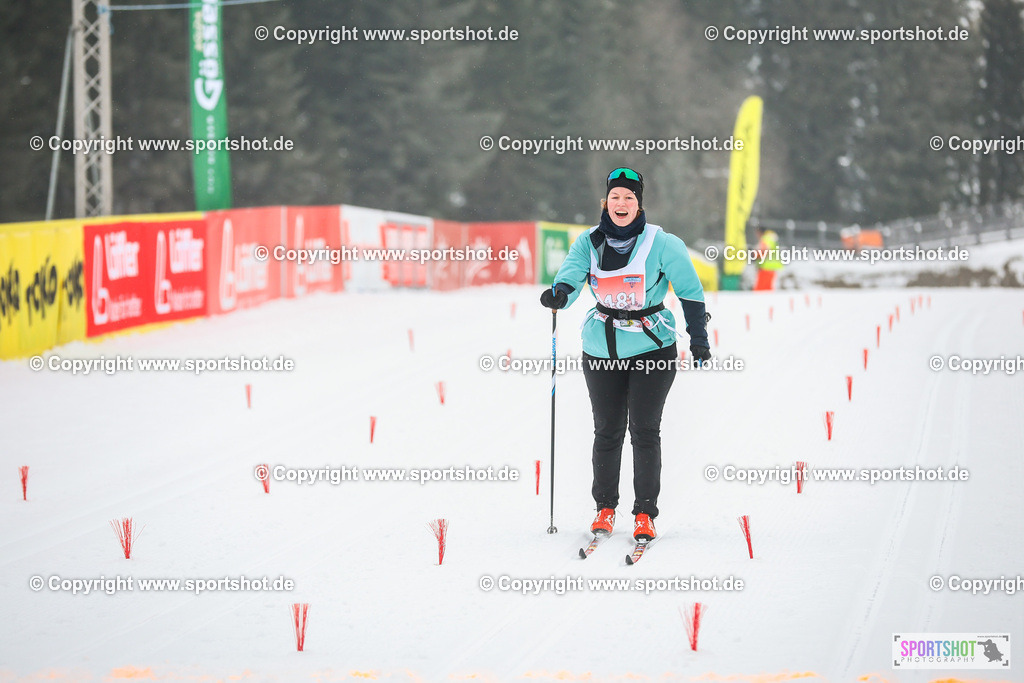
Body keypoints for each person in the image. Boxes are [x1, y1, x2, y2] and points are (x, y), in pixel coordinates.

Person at [540, 167, 710, 542]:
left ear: (639, 204)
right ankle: (604, 508)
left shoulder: (663, 244)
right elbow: (570, 277)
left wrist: (699, 338)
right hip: (601, 347)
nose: (621, 203)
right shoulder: (588, 242)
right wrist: (559, 295)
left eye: (629, 198)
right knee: (607, 430)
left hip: (652, 348)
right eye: (615, 197)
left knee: (645, 430)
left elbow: (690, 291)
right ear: (606, 202)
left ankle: (645, 513)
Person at [752, 224, 783, 291]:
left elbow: (763, 251)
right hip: (772, 267)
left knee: (760, 290)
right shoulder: (771, 239)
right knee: (767, 289)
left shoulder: (765, 239)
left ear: (760, 232)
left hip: (766, 267)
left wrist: (755, 255)